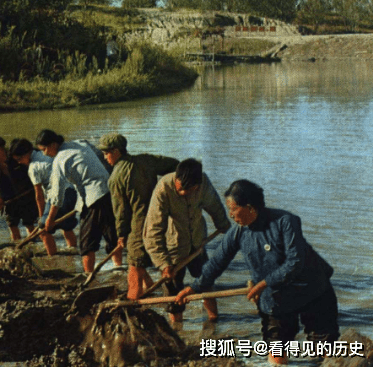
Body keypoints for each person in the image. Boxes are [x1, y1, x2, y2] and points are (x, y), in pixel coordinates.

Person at [176, 179, 339, 364]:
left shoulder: (286, 222)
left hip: (312, 290)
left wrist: (263, 283)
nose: (230, 214)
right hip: (277, 299)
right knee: (276, 352)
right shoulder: (238, 231)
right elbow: (217, 263)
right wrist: (194, 288)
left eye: (233, 208)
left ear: (250, 208)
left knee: (323, 351)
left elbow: (295, 262)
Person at [143, 158, 231, 322]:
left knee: (206, 282)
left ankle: (214, 322)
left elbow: (214, 205)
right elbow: (152, 231)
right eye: (180, 189)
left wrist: (224, 225)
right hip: (173, 247)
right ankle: (177, 329)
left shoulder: (203, 182)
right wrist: (163, 263)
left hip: (197, 242)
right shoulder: (163, 188)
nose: (183, 192)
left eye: (188, 189)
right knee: (173, 292)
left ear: (197, 185)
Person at [98, 133, 179, 300]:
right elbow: (177, 166)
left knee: (134, 265)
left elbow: (121, 212)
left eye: (106, 153)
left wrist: (121, 235)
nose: (104, 157)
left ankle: (133, 302)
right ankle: (155, 291)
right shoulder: (146, 160)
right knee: (163, 260)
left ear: (116, 151)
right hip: (163, 219)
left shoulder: (115, 178)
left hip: (140, 224)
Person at [36, 129, 117, 273]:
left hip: (94, 197)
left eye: (44, 149)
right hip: (110, 190)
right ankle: (119, 269)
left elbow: (56, 197)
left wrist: (49, 219)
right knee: (112, 236)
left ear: (53, 144)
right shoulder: (81, 143)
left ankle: (88, 276)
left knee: (86, 244)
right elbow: (101, 156)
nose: (44, 154)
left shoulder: (59, 161)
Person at [9, 138, 78, 255]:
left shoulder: (33, 167)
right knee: (66, 227)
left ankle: (52, 257)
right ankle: (73, 253)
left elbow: (39, 196)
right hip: (72, 192)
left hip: (59, 194)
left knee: (43, 231)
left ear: (27, 153)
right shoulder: (46, 153)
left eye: (19, 159)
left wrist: (42, 218)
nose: (19, 163)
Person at [0, 137, 38, 241]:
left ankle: (33, 246)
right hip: (8, 198)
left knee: (29, 224)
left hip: (26, 195)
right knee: (12, 224)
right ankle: (17, 247)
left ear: (2, 149)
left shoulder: (16, 157)